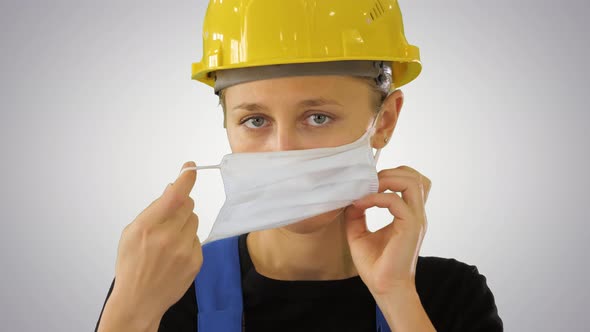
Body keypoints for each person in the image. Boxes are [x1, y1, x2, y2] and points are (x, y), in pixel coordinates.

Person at [95, 1, 503, 331]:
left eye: (318, 118)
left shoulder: (448, 297)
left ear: (386, 121)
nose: (283, 151)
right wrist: (130, 313)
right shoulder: (163, 287)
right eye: (255, 121)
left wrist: (397, 295)